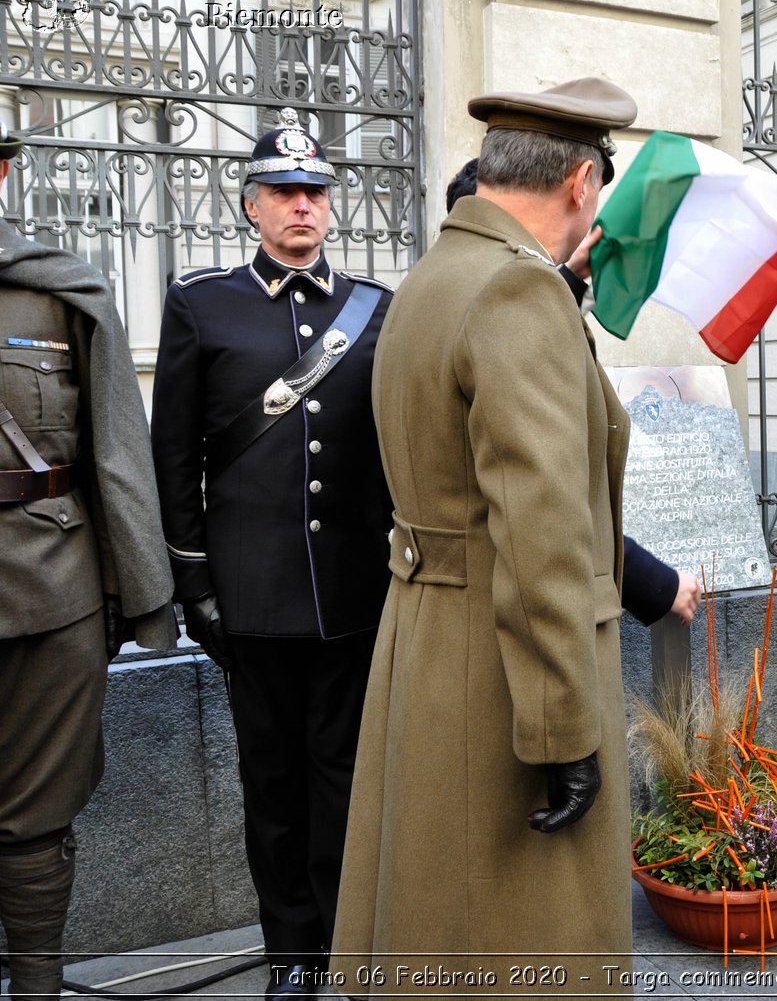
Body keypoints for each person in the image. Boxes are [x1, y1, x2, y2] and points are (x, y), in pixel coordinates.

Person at [331, 78, 640, 993]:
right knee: (522, 946)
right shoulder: (518, 290)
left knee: (440, 921)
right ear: (582, 182)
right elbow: (541, 530)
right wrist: (562, 728)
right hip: (504, 670)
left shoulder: (433, 277)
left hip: (428, 642)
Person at [149, 109, 393, 998]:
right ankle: (293, 955)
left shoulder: (374, 311)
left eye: (315, 193)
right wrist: (191, 581)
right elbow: (173, 454)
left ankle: (344, 945)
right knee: (273, 788)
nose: (301, 206)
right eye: (284, 193)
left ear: (331, 207)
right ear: (250, 205)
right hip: (250, 599)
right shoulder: (203, 304)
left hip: (352, 595)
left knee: (344, 783)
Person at [0, 127, 175, 1001]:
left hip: (49, 591)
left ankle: (37, 987)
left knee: (36, 818)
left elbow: (116, 449)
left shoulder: (58, 290)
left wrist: (143, 597)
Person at [443, 157, 701, 629]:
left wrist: (570, 276)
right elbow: (545, 508)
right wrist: (656, 585)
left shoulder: (439, 300)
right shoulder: (497, 312)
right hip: (504, 614)